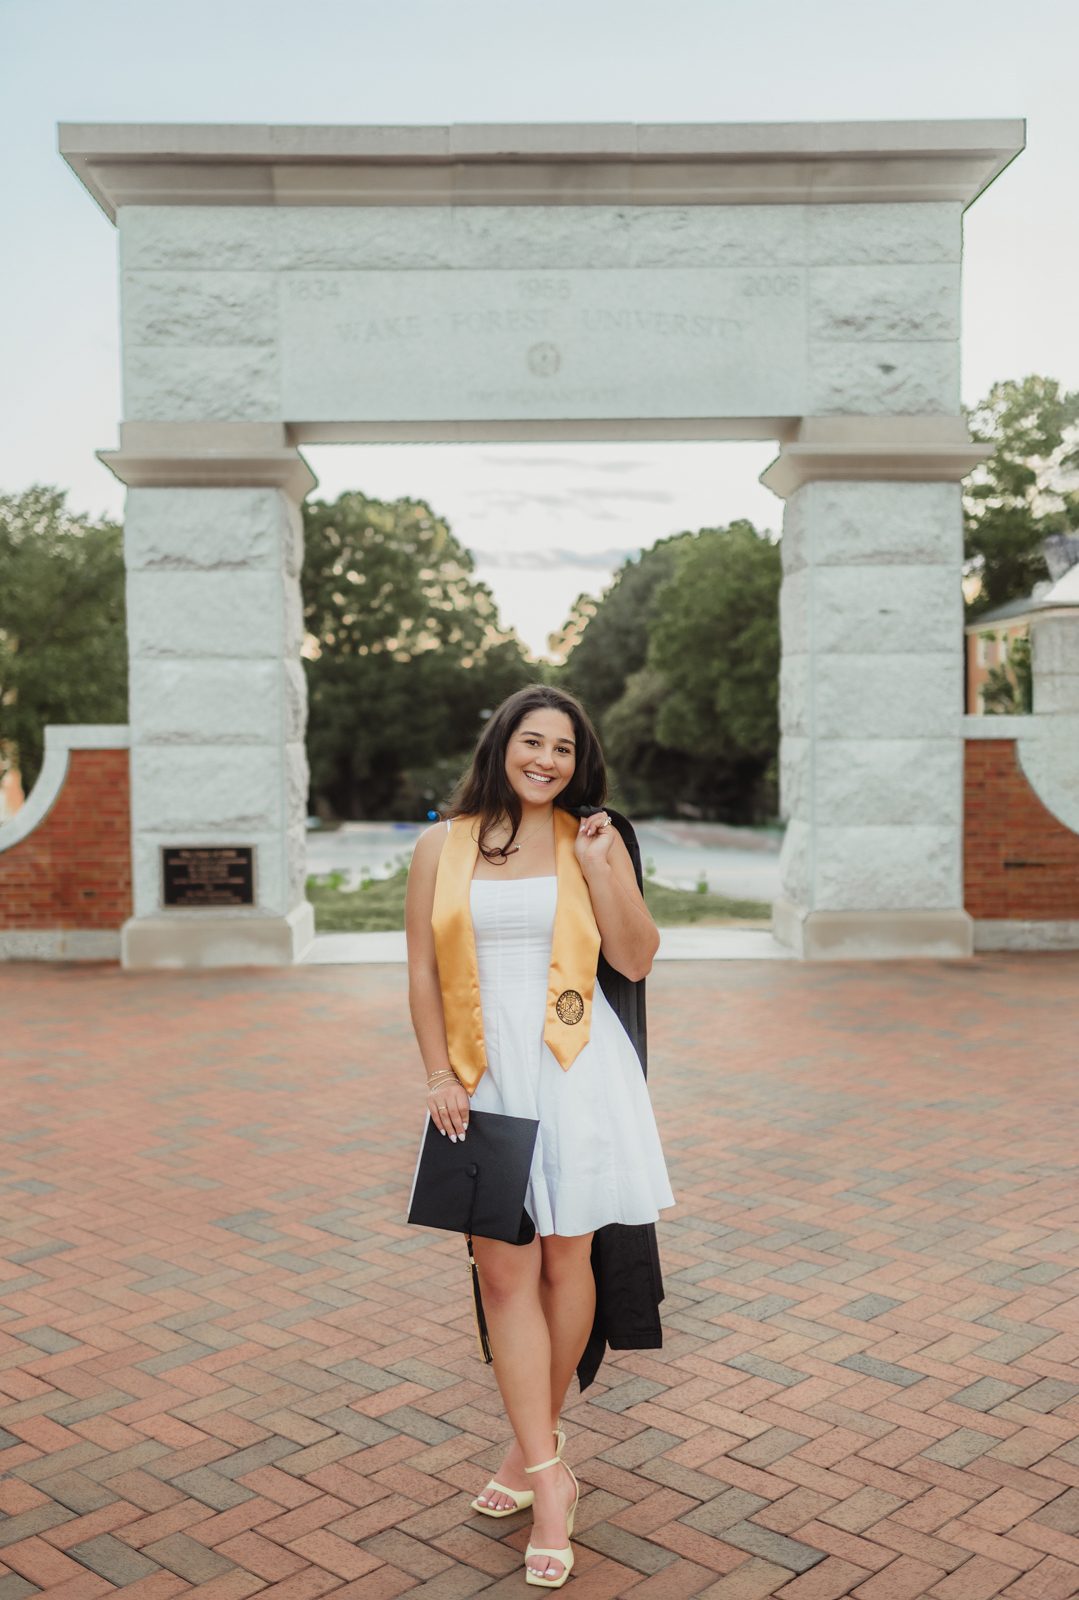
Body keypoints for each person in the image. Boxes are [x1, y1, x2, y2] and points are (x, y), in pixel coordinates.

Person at [404, 683, 676, 1588]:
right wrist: (438, 1074)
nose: (546, 761)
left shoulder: (590, 839)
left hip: (576, 1068)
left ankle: (537, 1469)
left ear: (577, 761)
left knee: (569, 1263)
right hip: (485, 1078)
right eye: (532, 742)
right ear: (502, 745)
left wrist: (603, 870)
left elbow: (635, 958)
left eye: (563, 749)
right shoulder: (440, 844)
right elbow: (419, 971)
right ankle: (545, 1462)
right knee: (500, 1271)